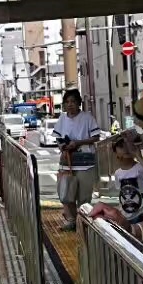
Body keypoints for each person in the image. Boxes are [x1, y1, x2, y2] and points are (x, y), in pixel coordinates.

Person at [54, 88, 103, 231]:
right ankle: (70, 220)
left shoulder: (87, 117)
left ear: (79, 103)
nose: (70, 104)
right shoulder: (62, 118)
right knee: (66, 193)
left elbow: (96, 137)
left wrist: (78, 143)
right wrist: (62, 145)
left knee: (83, 195)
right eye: (67, 102)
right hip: (67, 162)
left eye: (73, 102)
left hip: (85, 164)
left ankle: (83, 222)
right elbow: (58, 137)